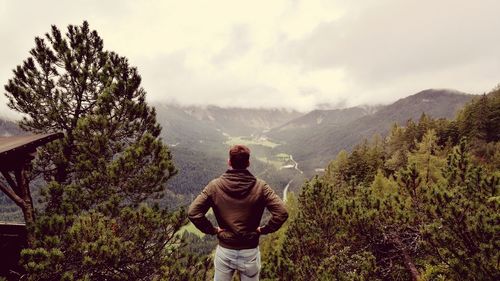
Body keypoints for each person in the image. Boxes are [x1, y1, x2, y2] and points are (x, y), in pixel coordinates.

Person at [188, 144, 288, 281]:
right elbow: (282, 212)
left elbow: (193, 212)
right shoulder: (261, 186)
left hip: (225, 251)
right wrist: (264, 230)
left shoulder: (214, 186)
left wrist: (213, 230)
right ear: (248, 163)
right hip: (250, 253)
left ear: (229, 162)